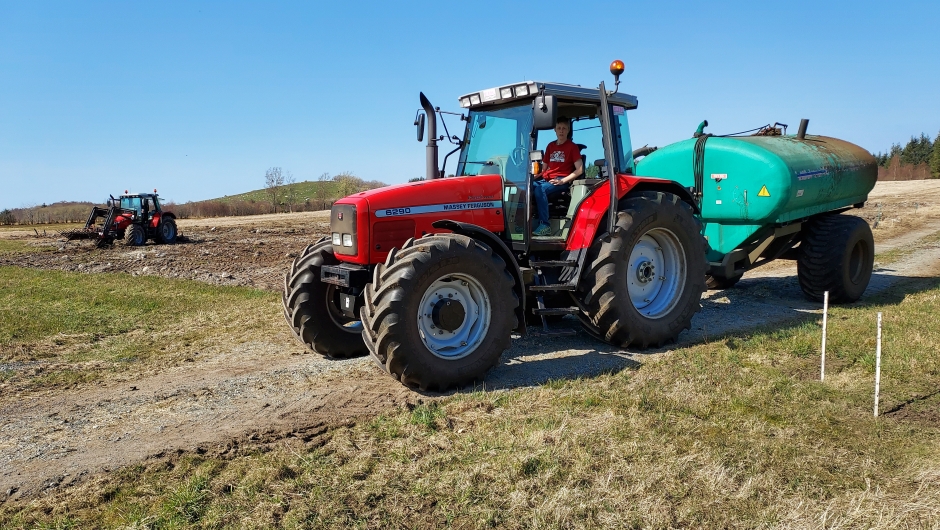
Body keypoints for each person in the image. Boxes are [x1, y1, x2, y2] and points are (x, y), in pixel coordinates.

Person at [532, 117, 583, 236]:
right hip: (547, 179)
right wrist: (529, 179)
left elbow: (580, 169)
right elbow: (543, 169)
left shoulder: (572, 147)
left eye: (564, 128)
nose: (561, 131)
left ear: (568, 130)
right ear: (555, 130)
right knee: (528, 187)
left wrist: (563, 181)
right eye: (559, 128)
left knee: (540, 189)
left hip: (561, 180)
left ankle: (545, 225)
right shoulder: (550, 146)